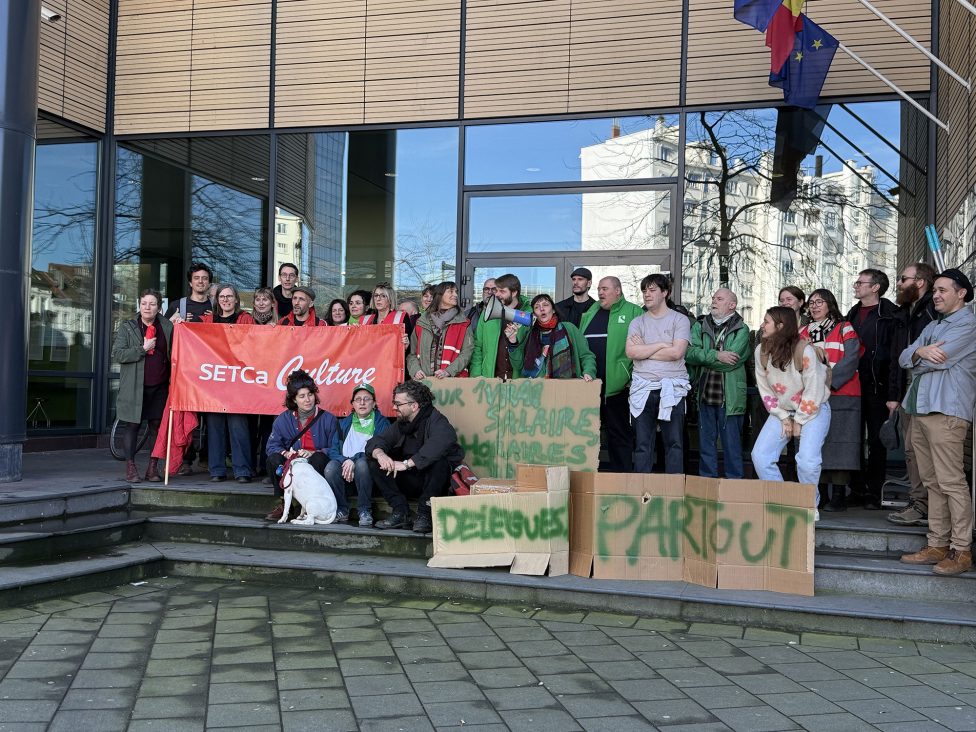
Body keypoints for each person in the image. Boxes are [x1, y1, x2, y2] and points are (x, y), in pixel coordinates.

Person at [898, 269, 976, 576]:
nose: (937, 295)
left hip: (946, 411)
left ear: (962, 293)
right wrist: (918, 351)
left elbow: (936, 359)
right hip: (920, 408)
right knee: (931, 482)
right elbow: (904, 357)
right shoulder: (932, 324)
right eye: (935, 291)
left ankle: (962, 549)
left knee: (951, 482)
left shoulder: (968, 324)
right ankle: (937, 544)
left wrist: (919, 356)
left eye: (944, 290)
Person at [752, 306, 831, 519]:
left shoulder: (804, 350)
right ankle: (784, 502)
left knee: (807, 461)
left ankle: (808, 506)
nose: (762, 325)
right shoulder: (761, 351)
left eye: (766, 321)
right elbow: (765, 389)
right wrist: (785, 417)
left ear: (780, 326)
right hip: (783, 410)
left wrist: (800, 420)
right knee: (760, 455)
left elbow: (814, 388)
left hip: (813, 409)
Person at [366, 381, 464, 533]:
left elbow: (440, 443)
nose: (394, 408)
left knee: (440, 464)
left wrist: (406, 464)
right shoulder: (402, 423)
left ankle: (424, 515)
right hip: (409, 480)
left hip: (431, 485)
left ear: (414, 406)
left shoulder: (437, 420)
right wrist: (381, 455)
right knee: (374, 462)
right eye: (394, 403)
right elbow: (377, 441)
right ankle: (400, 512)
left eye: (398, 404)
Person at [800, 289, 862, 512]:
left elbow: (852, 358)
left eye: (820, 302)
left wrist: (828, 382)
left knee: (841, 445)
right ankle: (821, 494)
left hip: (841, 393)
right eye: (812, 302)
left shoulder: (845, 327)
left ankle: (838, 495)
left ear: (830, 304)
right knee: (818, 445)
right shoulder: (803, 331)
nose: (815, 306)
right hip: (812, 396)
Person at [886, 262, 937, 526]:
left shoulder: (932, 311)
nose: (898, 284)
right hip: (909, 395)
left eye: (903, 279)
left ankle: (927, 507)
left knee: (926, 454)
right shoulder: (904, 312)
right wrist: (894, 394)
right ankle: (919, 504)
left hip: (932, 395)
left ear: (919, 282)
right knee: (911, 452)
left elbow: (930, 357)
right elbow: (898, 357)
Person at [626, 273, 691, 474]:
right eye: (644, 290)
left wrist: (645, 349)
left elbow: (676, 353)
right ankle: (641, 491)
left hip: (672, 389)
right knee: (643, 445)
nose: (647, 294)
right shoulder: (637, 322)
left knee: (674, 444)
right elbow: (631, 352)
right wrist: (662, 344)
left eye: (652, 290)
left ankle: (673, 491)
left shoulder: (680, 320)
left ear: (665, 293)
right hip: (643, 388)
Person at [580, 276, 643, 472]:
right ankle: (591, 480)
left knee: (620, 437)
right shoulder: (590, 312)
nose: (600, 292)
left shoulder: (634, 312)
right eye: (599, 288)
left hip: (619, 388)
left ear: (618, 291)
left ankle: (622, 481)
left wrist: (630, 378)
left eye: (605, 288)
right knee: (587, 436)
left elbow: (643, 350)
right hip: (590, 388)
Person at [846, 268, 898, 509]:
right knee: (853, 439)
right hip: (852, 385)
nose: (856, 286)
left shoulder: (891, 315)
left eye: (860, 282)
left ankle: (874, 494)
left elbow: (895, 356)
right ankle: (856, 490)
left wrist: (893, 394)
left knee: (877, 441)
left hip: (878, 386)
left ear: (875, 287)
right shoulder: (851, 314)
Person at [686, 288, 750, 479]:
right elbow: (690, 354)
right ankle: (708, 486)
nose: (713, 301)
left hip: (730, 398)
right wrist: (717, 355)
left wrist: (705, 358)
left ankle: (734, 487)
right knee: (706, 444)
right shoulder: (699, 326)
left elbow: (733, 363)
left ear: (732, 305)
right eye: (713, 297)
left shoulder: (742, 329)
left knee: (732, 446)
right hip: (705, 394)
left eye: (719, 299)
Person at [112, 289, 173, 483]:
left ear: (159, 307)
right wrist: (142, 349)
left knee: (157, 427)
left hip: (160, 386)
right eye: (144, 303)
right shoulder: (128, 327)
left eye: (152, 304)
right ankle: (131, 467)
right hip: (134, 387)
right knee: (132, 425)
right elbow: (118, 354)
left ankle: (152, 468)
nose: (147, 307)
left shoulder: (167, 327)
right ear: (140, 305)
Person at [265, 370, 340, 522]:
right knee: (273, 459)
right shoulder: (283, 420)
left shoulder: (329, 419)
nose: (308, 400)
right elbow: (271, 446)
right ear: (294, 400)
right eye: (302, 396)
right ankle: (282, 503)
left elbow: (335, 448)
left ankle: (306, 505)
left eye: (310, 394)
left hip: (314, 463)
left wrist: (315, 452)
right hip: (293, 464)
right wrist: (285, 453)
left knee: (319, 459)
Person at [203, 284, 254, 483]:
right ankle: (217, 470)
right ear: (217, 300)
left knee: (238, 427)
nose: (225, 300)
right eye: (222, 297)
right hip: (214, 383)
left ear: (236, 300)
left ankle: (242, 471)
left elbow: (255, 342)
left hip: (238, 383)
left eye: (229, 296)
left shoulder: (245, 318)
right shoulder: (208, 320)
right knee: (214, 427)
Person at [324, 384, 391, 527]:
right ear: (352, 404)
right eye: (358, 399)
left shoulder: (382, 423)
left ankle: (364, 510)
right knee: (330, 468)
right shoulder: (343, 424)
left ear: (374, 404)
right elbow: (333, 451)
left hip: (370, 473)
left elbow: (381, 450)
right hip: (345, 471)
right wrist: (346, 461)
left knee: (362, 463)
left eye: (367, 399)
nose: (362, 402)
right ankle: (342, 509)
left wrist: (354, 460)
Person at [512, 294, 596, 380]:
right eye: (537, 307)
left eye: (545, 305)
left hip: (565, 388)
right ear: (534, 314)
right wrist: (512, 341)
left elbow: (586, 355)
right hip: (536, 389)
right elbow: (518, 365)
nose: (541, 309)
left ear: (553, 310)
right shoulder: (529, 334)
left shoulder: (569, 328)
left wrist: (589, 372)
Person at [408, 281, 474, 379]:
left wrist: (448, 371)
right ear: (440, 295)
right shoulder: (421, 322)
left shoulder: (464, 323)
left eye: (456, 292)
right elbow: (411, 354)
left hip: (453, 384)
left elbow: (467, 352)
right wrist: (415, 370)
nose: (455, 295)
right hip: (425, 382)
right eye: (451, 291)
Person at [469, 273, 529, 378]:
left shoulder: (527, 314)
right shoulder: (487, 312)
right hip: (490, 379)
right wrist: (476, 376)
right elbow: (478, 346)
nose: (497, 294)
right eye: (497, 290)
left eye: (502, 291)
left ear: (514, 292)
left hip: (518, 381)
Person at [250, 287, 276, 478]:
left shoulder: (280, 323)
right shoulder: (246, 322)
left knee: (268, 427)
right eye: (258, 299)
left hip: (271, 382)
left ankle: (264, 465)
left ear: (271, 303)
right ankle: (250, 465)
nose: (261, 302)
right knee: (250, 427)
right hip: (249, 380)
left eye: (265, 299)